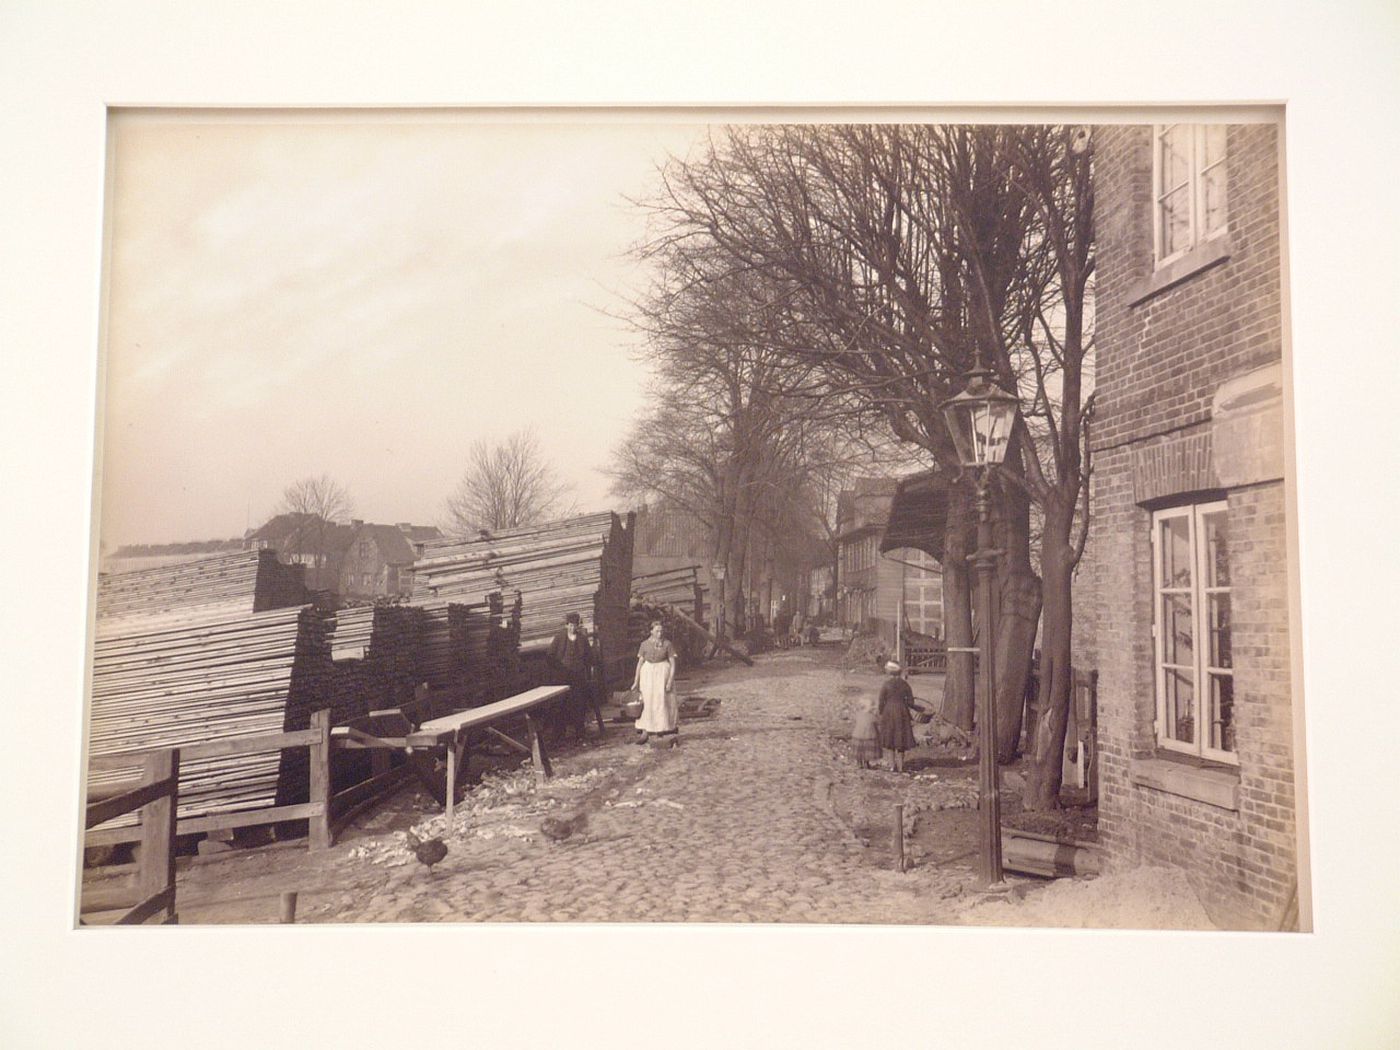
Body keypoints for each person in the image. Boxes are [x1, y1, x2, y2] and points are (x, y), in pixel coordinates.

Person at [630, 619, 678, 747]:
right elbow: (639, 664)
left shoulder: (667, 644)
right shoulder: (644, 644)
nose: (660, 633)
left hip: (662, 674)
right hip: (648, 675)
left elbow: (673, 664)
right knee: (647, 702)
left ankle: (660, 729)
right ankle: (645, 732)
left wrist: (669, 681)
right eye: (657, 631)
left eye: (661, 631)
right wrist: (636, 681)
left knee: (661, 701)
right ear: (651, 631)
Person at [547, 612, 593, 742]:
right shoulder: (560, 638)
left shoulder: (582, 639)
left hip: (578, 676)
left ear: (578, 626)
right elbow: (550, 656)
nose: (573, 628)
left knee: (579, 704)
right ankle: (559, 735)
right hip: (563, 677)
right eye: (571, 625)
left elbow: (589, 657)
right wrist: (558, 670)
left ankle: (580, 733)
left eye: (575, 625)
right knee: (560, 705)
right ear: (567, 625)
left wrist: (587, 671)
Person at [876, 660, 917, 772]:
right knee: (901, 738)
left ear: (890, 672)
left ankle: (891, 765)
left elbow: (881, 701)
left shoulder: (886, 684)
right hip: (902, 712)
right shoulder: (905, 684)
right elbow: (910, 702)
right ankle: (901, 765)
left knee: (890, 738)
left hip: (889, 711)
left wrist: (881, 712)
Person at [849, 689, 881, 770]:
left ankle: (859, 763)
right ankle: (866, 763)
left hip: (858, 735)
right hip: (869, 736)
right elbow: (879, 722)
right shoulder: (872, 716)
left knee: (859, 750)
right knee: (867, 751)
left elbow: (854, 721)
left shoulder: (858, 714)